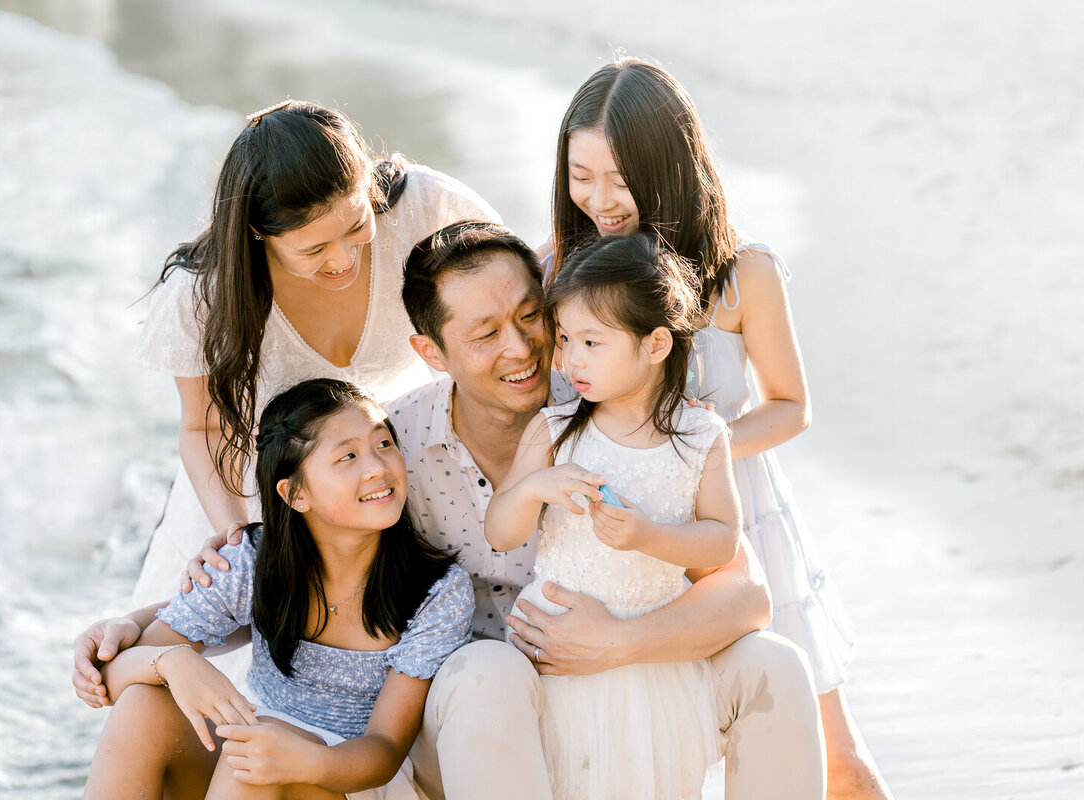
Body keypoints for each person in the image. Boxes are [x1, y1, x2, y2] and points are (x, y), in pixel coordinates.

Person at [79, 221, 826, 799]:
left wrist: (617, 644)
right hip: (462, 721)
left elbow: (744, 593)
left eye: (533, 316)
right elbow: (297, 556)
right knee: (484, 667)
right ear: (430, 351)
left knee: (775, 665)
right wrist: (144, 629)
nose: (525, 349)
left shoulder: (611, 408)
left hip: (618, 671)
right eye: (485, 333)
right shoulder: (390, 450)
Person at [548, 57, 891, 799]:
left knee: (836, 765)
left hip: (742, 526)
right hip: (613, 543)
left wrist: (702, 446)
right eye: (581, 175)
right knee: (649, 756)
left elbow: (792, 406)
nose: (600, 200)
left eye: (621, 177)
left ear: (670, 164)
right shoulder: (559, 274)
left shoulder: (743, 275)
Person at [130, 99, 498, 606]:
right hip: (256, 502)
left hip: (388, 482)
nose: (343, 258)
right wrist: (243, 544)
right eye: (313, 249)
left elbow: (515, 293)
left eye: (356, 227)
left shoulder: (427, 210)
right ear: (259, 233)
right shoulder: (205, 295)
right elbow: (205, 428)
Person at [84, 378, 474, 800]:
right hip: (254, 757)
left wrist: (298, 758)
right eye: (348, 456)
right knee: (144, 705)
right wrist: (173, 663)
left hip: (351, 776)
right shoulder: (253, 560)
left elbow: (384, 751)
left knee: (252, 759)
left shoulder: (436, 591)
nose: (378, 467)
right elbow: (115, 677)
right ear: (295, 494)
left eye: (383, 444)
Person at [485, 233, 741, 799]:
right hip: (556, 645)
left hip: (652, 657)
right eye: (566, 339)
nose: (570, 359)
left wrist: (651, 536)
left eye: (592, 342)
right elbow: (500, 531)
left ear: (654, 345)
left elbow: (722, 542)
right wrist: (534, 489)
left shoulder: (701, 436)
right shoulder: (552, 429)